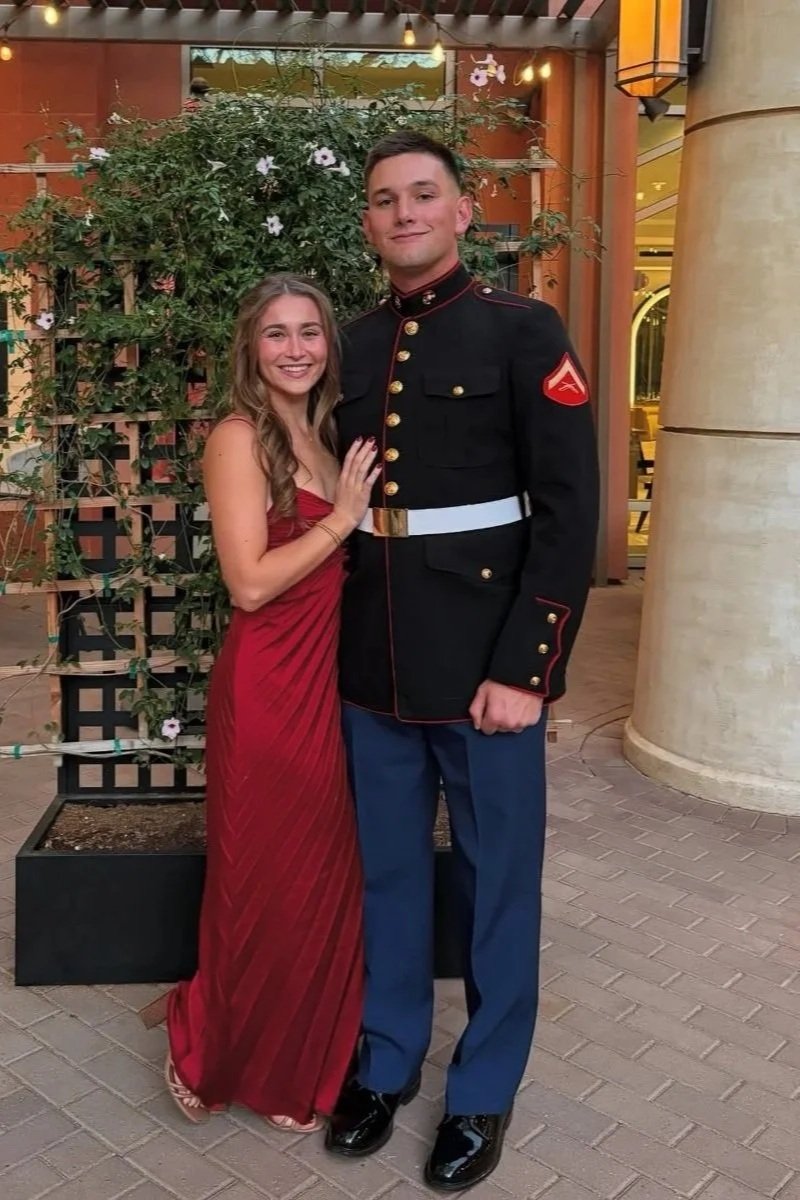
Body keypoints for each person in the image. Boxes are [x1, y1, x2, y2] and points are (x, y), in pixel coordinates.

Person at [325, 132, 600, 1190]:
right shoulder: (348, 345)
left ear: (461, 211)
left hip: (485, 658)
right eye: (384, 199)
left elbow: (567, 510)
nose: (402, 212)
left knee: (494, 883)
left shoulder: (519, 332)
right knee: (388, 875)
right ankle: (387, 1058)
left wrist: (528, 666)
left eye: (422, 194)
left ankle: (482, 1086)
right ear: (368, 222)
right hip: (373, 659)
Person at [142, 274, 380, 1129]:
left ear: (328, 344)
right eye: (276, 334)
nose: (294, 349)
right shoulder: (239, 437)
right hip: (269, 688)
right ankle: (212, 1046)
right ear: (251, 347)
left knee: (318, 883)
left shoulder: (323, 433)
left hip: (328, 682)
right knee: (263, 880)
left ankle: (298, 1055)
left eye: (308, 332)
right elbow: (247, 585)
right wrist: (342, 520)